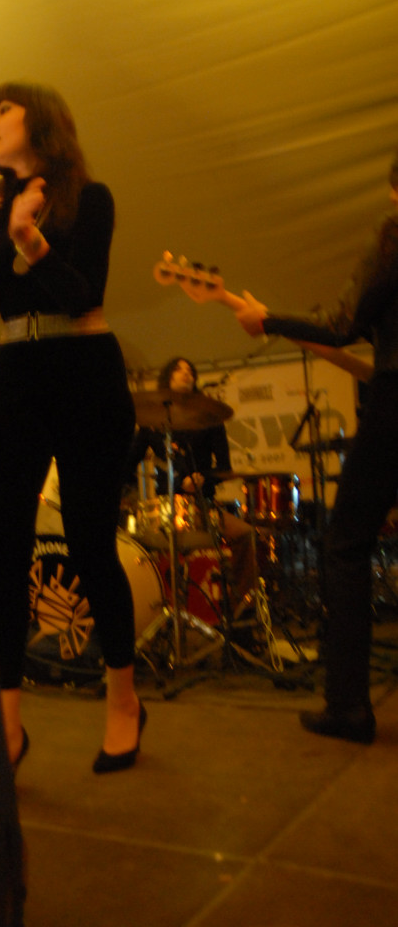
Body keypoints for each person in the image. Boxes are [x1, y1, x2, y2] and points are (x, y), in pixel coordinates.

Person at [0, 81, 145, 774]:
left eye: (3, 109)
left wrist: (28, 237)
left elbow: (82, 294)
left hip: (85, 369)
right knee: (2, 548)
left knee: (91, 544)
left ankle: (123, 699)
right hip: (17, 372)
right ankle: (6, 725)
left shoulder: (89, 199)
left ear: (40, 121)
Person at [233, 151, 398, 743]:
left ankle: (348, 705)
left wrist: (268, 319)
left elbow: (340, 323)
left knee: (345, 546)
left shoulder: (392, 238)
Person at [127, 357, 258, 607]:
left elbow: (224, 467)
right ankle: (149, 605)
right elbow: (127, 465)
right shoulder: (152, 423)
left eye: (190, 370)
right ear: (168, 377)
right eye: (179, 369)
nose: (186, 373)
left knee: (245, 534)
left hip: (202, 506)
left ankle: (243, 605)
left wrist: (203, 479)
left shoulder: (209, 419)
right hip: (163, 508)